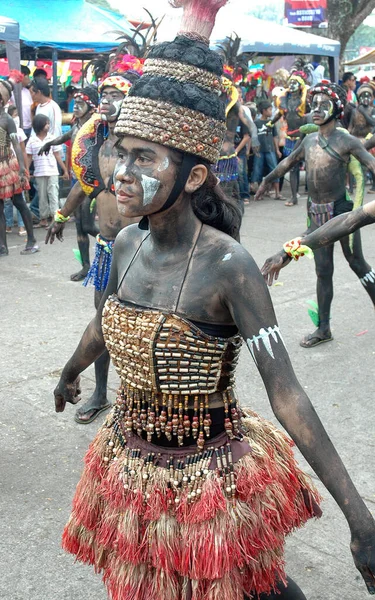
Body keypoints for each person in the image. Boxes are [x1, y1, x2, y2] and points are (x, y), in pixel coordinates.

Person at [54, 5, 375, 599]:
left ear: (195, 177)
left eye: (144, 157)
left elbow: (287, 393)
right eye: (120, 151)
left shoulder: (231, 267)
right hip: (129, 470)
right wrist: (72, 372)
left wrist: (360, 517)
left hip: (211, 484)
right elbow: (104, 322)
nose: (121, 172)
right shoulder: (124, 242)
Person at [45, 70, 140, 424]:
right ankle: (101, 394)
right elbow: (87, 187)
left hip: (140, 245)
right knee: (102, 320)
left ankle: (139, 397)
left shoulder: (140, 144)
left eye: (115, 94)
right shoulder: (97, 144)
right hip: (106, 247)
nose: (106, 99)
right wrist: (60, 215)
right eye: (104, 93)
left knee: (141, 322)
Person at [255, 82, 375, 348]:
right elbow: (288, 162)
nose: (316, 110)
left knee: (358, 264)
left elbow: (370, 163)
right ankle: (323, 328)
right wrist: (266, 179)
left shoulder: (347, 141)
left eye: (323, 104)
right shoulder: (309, 140)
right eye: (314, 104)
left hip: (341, 211)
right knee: (323, 271)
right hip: (316, 213)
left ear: (337, 107)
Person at [39, 86, 99, 280]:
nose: (75, 107)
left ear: (91, 108)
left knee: (89, 227)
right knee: (80, 227)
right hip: (77, 181)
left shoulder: (95, 129)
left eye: (80, 104)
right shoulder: (76, 126)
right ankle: (85, 266)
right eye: (75, 104)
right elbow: (64, 137)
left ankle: (115, 245)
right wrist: (49, 144)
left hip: (91, 184)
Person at [262, 199, 375, 285]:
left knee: (357, 263)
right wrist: (288, 251)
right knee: (323, 272)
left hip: (340, 204)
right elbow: (347, 222)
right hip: (319, 212)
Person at [0, 71, 38, 256]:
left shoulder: (7, 120)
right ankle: (2, 246)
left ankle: (31, 239)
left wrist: (23, 169)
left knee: (19, 202)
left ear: (2, 101)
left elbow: (16, 145)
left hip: (9, 166)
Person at [270, 67, 311, 206]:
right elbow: (280, 114)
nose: (292, 85)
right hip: (290, 138)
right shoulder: (285, 100)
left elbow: (312, 116)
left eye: (295, 82)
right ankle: (294, 197)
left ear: (300, 86)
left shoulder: (306, 100)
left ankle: (314, 196)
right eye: (290, 82)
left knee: (311, 167)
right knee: (293, 167)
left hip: (304, 137)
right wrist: (269, 124)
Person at [26, 114, 69, 227]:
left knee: (53, 194)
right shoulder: (32, 140)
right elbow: (29, 157)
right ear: (40, 125)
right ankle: (43, 219)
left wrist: (64, 170)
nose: (48, 125)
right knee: (42, 196)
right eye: (47, 123)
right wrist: (26, 171)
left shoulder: (52, 138)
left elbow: (57, 155)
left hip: (52, 171)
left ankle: (55, 219)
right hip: (39, 172)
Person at [252, 100, 282, 199]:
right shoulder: (256, 123)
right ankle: (260, 193)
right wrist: (255, 149)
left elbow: (275, 137)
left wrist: (277, 149)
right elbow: (254, 137)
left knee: (275, 170)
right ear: (264, 111)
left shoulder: (271, 122)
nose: (271, 112)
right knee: (258, 171)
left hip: (270, 150)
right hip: (260, 151)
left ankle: (277, 193)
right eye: (269, 110)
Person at [4, 105, 27, 235]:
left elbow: (20, 149)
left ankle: (22, 226)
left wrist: (23, 167)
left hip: (14, 165)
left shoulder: (15, 129)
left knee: (19, 198)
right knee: (6, 200)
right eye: (15, 114)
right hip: (3, 166)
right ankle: (8, 224)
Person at [19, 65, 33, 137]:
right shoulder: (12, 93)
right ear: (22, 76)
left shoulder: (27, 92)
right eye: (28, 76)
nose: (29, 79)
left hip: (29, 127)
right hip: (18, 128)